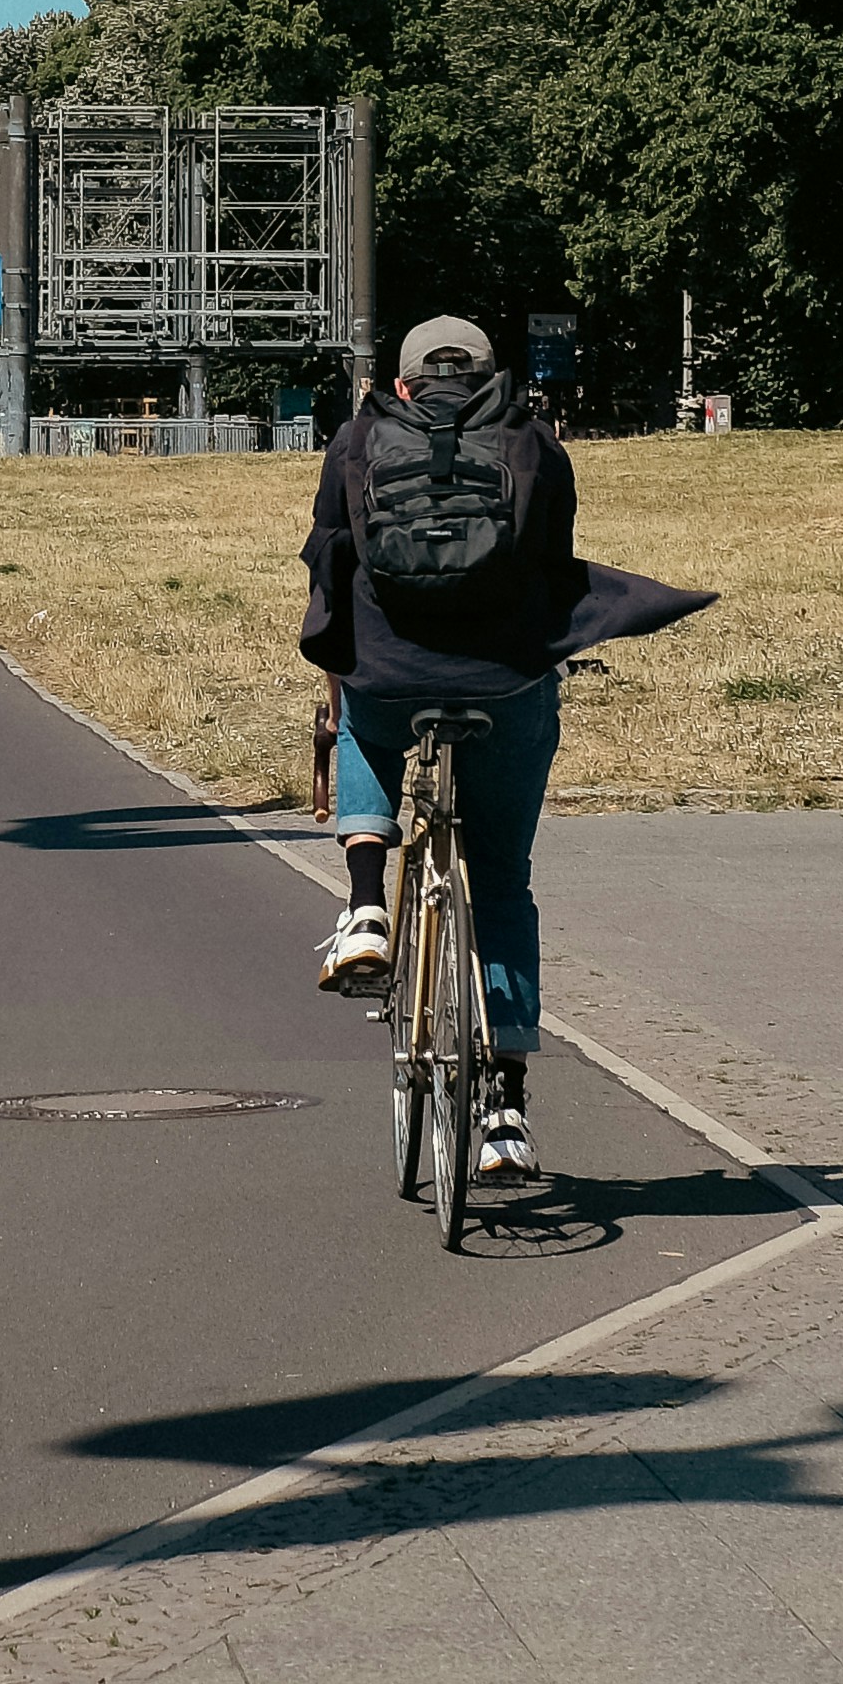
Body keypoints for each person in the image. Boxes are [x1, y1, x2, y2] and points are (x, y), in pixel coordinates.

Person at [300, 312, 586, 1185]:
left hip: (390, 680)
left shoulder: (356, 443)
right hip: (505, 686)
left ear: (402, 385)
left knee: (359, 718)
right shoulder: (536, 445)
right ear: (493, 378)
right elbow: (557, 566)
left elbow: (328, 564)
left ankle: (366, 910)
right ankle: (502, 1109)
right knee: (501, 882)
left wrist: (334, 672)